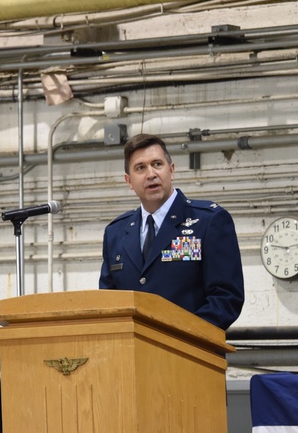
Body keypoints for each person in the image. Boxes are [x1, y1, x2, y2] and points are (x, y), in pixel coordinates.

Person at [99, 133, 245, 329]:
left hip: (190, 352)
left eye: (157, 164)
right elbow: (109, 303)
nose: (151, 174)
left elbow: (226, 297)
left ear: (172, 170)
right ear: (129, 181)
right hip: (133, 354)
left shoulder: (208, 221)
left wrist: (180, 336)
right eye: (140, 168)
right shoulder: (115, 233)